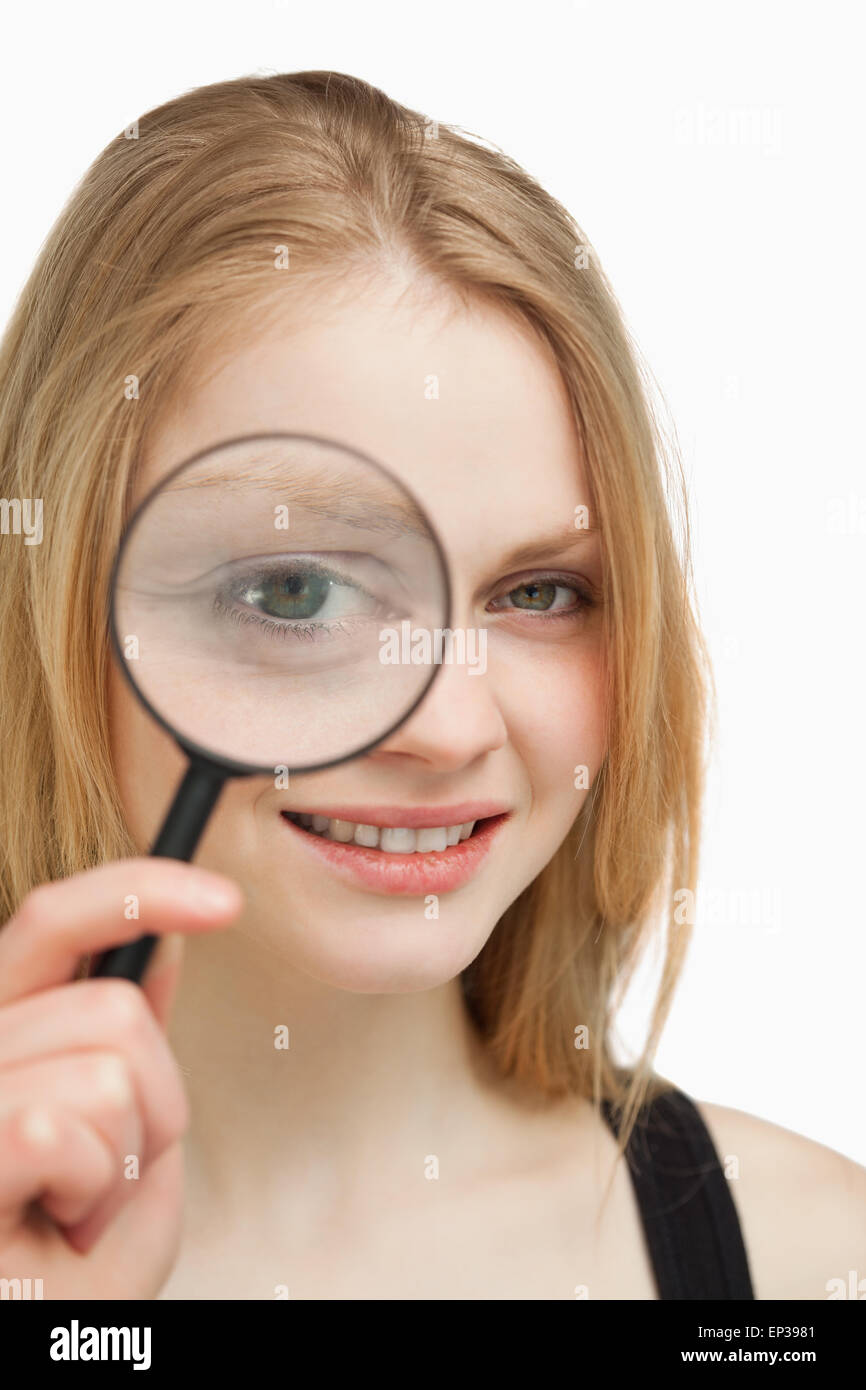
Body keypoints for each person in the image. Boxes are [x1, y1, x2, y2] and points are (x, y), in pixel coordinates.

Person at [0, 70, 862, 1301]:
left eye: (540, 593)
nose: (450, 723)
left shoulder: (810, 1266)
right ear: (56, 608)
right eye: (296, 591)